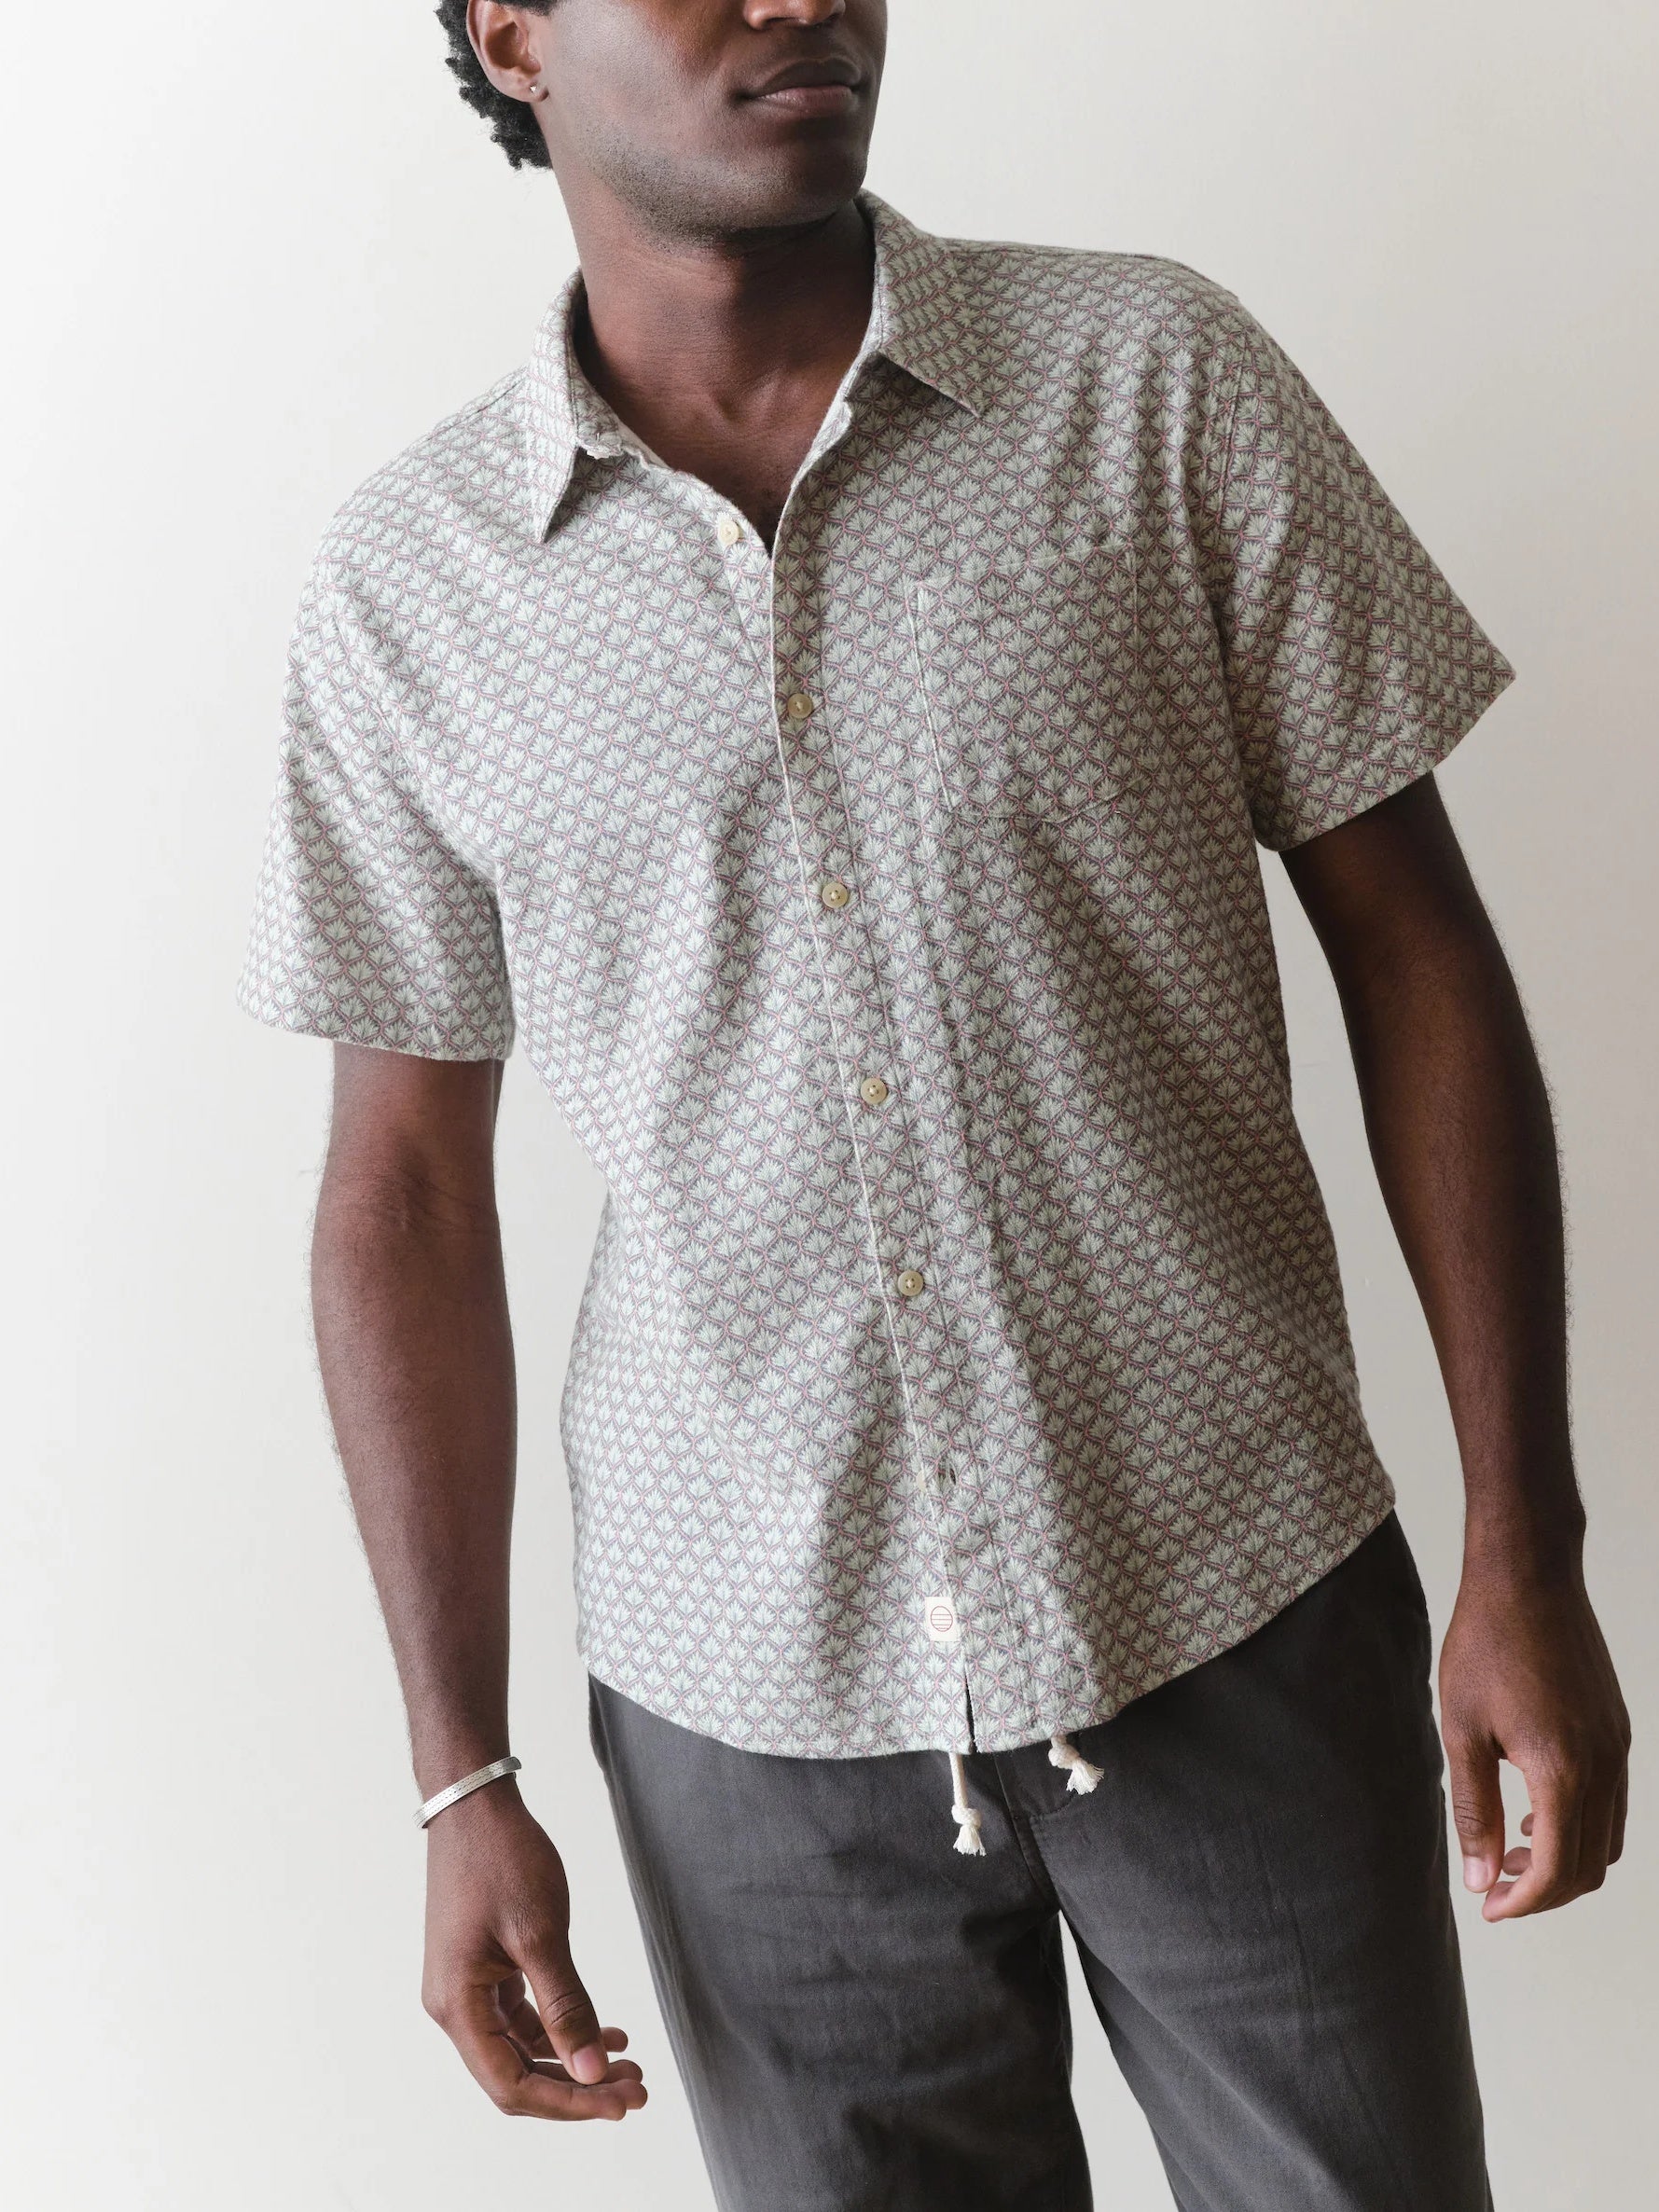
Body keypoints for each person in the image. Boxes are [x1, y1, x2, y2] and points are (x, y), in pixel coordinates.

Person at [236, 3, 1631, 2205]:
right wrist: (456, 1774)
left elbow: (1417, 954)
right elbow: (398, 1193)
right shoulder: (413, 589)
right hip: (744, 1705)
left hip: (1233, 1593)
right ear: (509, 33)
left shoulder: (1149, 379)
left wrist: (1518, 1546)